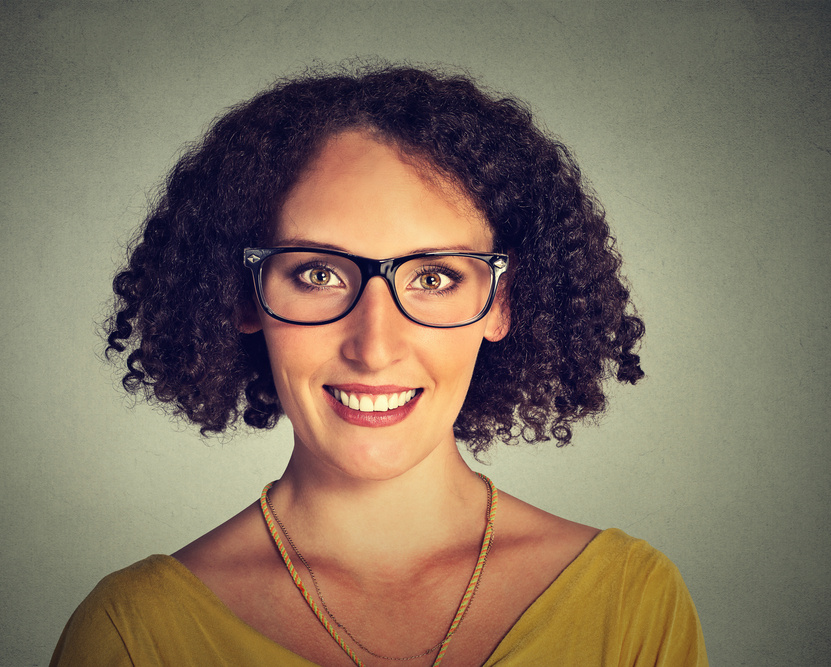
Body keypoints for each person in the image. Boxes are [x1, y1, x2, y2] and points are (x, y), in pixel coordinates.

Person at [50, 64, 708, 666]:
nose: (374, 345)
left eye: (434, 277)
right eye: (318, 272)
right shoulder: (132, 636)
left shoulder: (631, 604)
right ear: (246, 294)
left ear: (500, 304)